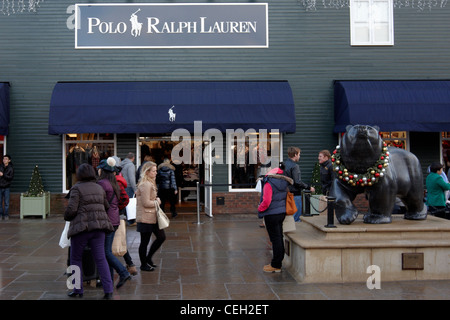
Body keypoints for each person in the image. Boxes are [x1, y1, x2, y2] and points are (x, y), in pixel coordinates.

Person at [64, 163, 114, 299]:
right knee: (101, 258)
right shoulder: (99, 188)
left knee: (75, 258)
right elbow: (106, 206)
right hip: (99, 228)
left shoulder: (76, 188)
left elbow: (72, 210)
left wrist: (66, 216)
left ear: (79, 175)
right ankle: (108, 290)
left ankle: (77, 290)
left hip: (81, 229)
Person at [97, 157, 132, 289]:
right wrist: (116, 209)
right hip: (114, 219)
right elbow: (125, 199)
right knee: (107, 251)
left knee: (106, 252)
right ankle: (109, 279)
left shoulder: (101, 184)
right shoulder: (115, 183)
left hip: (107, 220)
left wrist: (111, 209)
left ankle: (123, 272)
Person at [258, 163, 293, 273]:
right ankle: (278, 263)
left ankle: (275, 264)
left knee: (275, 239)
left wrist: (260, 208)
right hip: (281, 212)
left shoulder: (269, 183)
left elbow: (267, 201)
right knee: (279, 237)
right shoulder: (283, 182)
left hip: (271, 214)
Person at [136, 161, 166, 271]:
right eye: (154, 171)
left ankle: (148, 259)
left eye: (156, 170)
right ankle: (143, 264)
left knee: (161, 237)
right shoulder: (145, 184)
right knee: (144, 241)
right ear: (147, 172)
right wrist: (157, 201)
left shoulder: (150, 182)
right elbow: (146, 203)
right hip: (145, 217)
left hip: (152, 216)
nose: (156, 173)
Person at [115, 164, 138, 276]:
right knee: (121, 242)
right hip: (118, 216)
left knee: (109, 246)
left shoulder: (115, 183)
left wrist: (116, 209)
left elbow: (125, 199)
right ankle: (130, 264)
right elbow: (125, 200)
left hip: (114, 216)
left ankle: (123, 270)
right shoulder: (119, 182)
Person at [283, 147, 315, 222]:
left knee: (287, 214)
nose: (299, 156)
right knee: (296, 216)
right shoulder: (295, 166)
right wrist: (308, 187)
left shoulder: (284, 164)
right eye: (299, 154)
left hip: (285, 192)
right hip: (295, 193)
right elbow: (297, 182)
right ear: (295, 154)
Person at [0, 155, 13, 220]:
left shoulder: (10, 168)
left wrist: (3, 175)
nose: (4, 160)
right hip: (0, 187)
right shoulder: (0, 167)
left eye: (6, 159)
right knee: (0, 202)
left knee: (6, 203)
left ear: (9, 160)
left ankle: (6, 215)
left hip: (6, 187)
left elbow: (10, 178)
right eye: (3, 159)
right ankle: (0, 215)